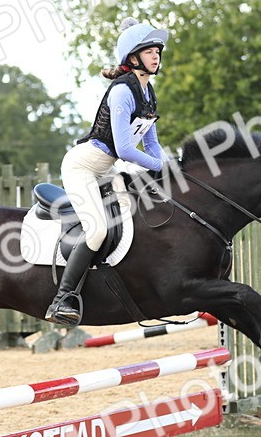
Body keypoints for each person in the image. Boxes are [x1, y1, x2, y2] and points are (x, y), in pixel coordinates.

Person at [44, 17, 170, 326]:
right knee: (98, 229)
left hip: (107, 168)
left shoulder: (148, 92)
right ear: (133, 57)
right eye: (150, 50)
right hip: (83, 166)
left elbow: (152, 144)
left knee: (132, 213)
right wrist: (161, 166)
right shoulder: (122, 92)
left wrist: (174, 169)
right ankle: (63, 298)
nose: (156, 55)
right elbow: (127, 150)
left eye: (158, 50)